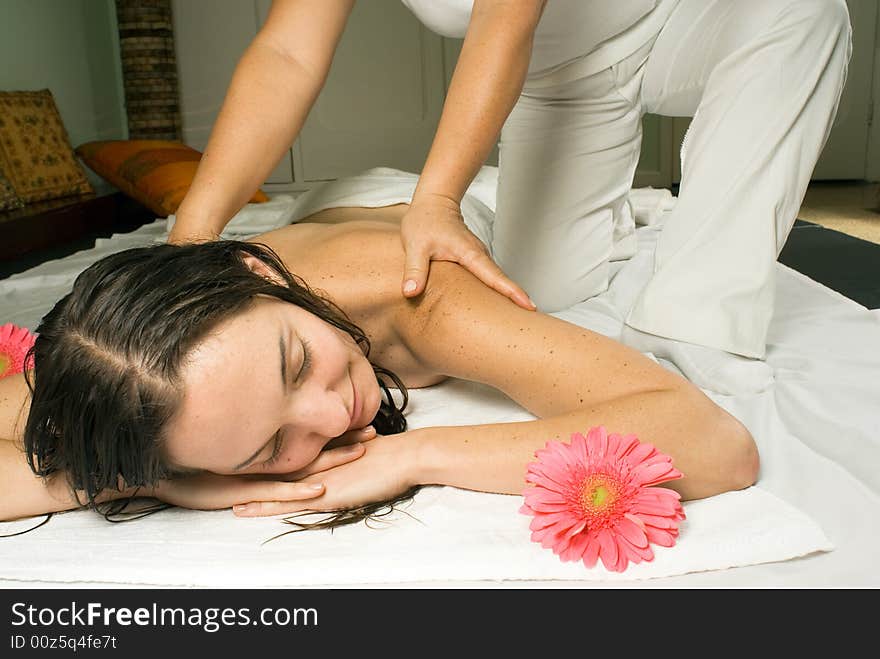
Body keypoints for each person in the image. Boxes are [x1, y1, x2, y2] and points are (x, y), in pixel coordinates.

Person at [167, 0, 852, 397]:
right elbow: (287, 52)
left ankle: (699, 312)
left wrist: (436, 200)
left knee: (801, 10)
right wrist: (190, 240)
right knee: (543, 291)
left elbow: (504, 19)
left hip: (683, 15)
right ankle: (624, 215)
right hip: (558, 77)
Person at [0, 200, 758, 525]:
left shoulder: (426, 299)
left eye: (296, 364)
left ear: (258, 276)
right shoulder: (129, 363)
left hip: (392, 210)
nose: (334, 416)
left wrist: (417, 454)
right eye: (269, 447)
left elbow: (716, 443)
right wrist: (149, 477)